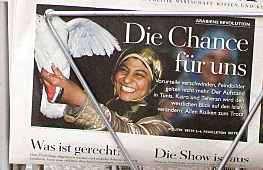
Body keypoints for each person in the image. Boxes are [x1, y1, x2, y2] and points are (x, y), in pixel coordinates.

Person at [40, 47, 173, 136]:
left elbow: (128, 134)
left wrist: (79, 100)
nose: (127, 79)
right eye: (123, 70)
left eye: (139, 74)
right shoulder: (108, 105)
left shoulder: (161, 127)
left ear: (153, 85)